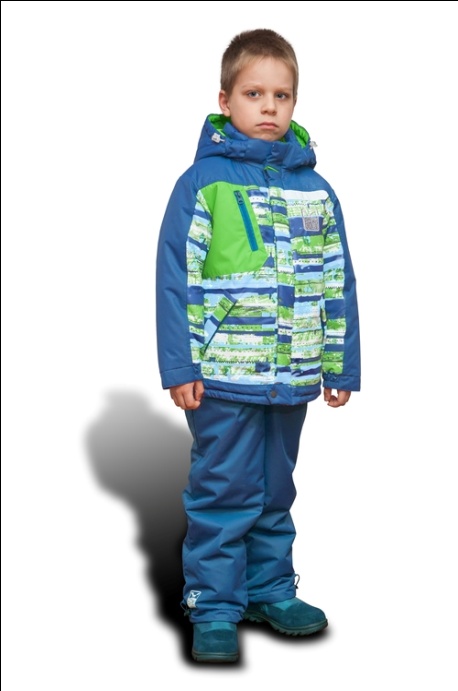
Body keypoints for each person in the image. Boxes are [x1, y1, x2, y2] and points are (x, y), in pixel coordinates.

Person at [156, 28, 360, 664]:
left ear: (294, 102)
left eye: (282, 95)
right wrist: (180, 364)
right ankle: (214, 604)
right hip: (222, 375)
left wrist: (340, 364)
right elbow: (177, 278)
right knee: (224, 489)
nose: (269, 106)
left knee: (276, 488)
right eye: (254, 94)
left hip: (293, 373)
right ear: (225, 101)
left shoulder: (316, 191)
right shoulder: (203, 183)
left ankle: (270, 589)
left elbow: (337, 281)